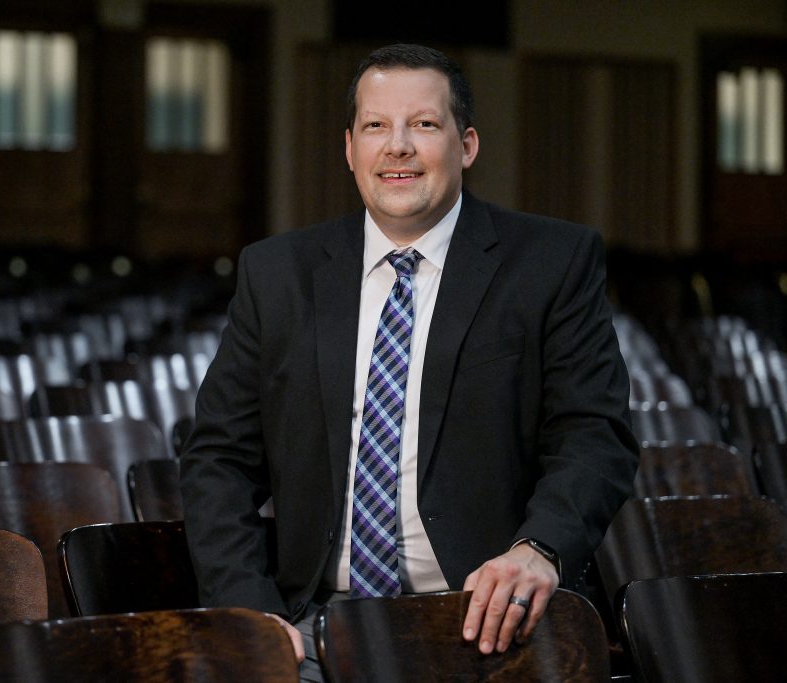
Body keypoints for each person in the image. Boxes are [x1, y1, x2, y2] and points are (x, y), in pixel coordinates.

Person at [180, 43, 639, 679]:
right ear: (350, 149)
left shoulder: (551, 263)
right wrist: (250, 612)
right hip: (317, 625)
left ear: (467, 145)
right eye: (376, 126)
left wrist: (540, 550)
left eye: (423, 124)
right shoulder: (278, 273)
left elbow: (595, 434)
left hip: (489, 625)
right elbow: (218, 460)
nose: (398, 147)